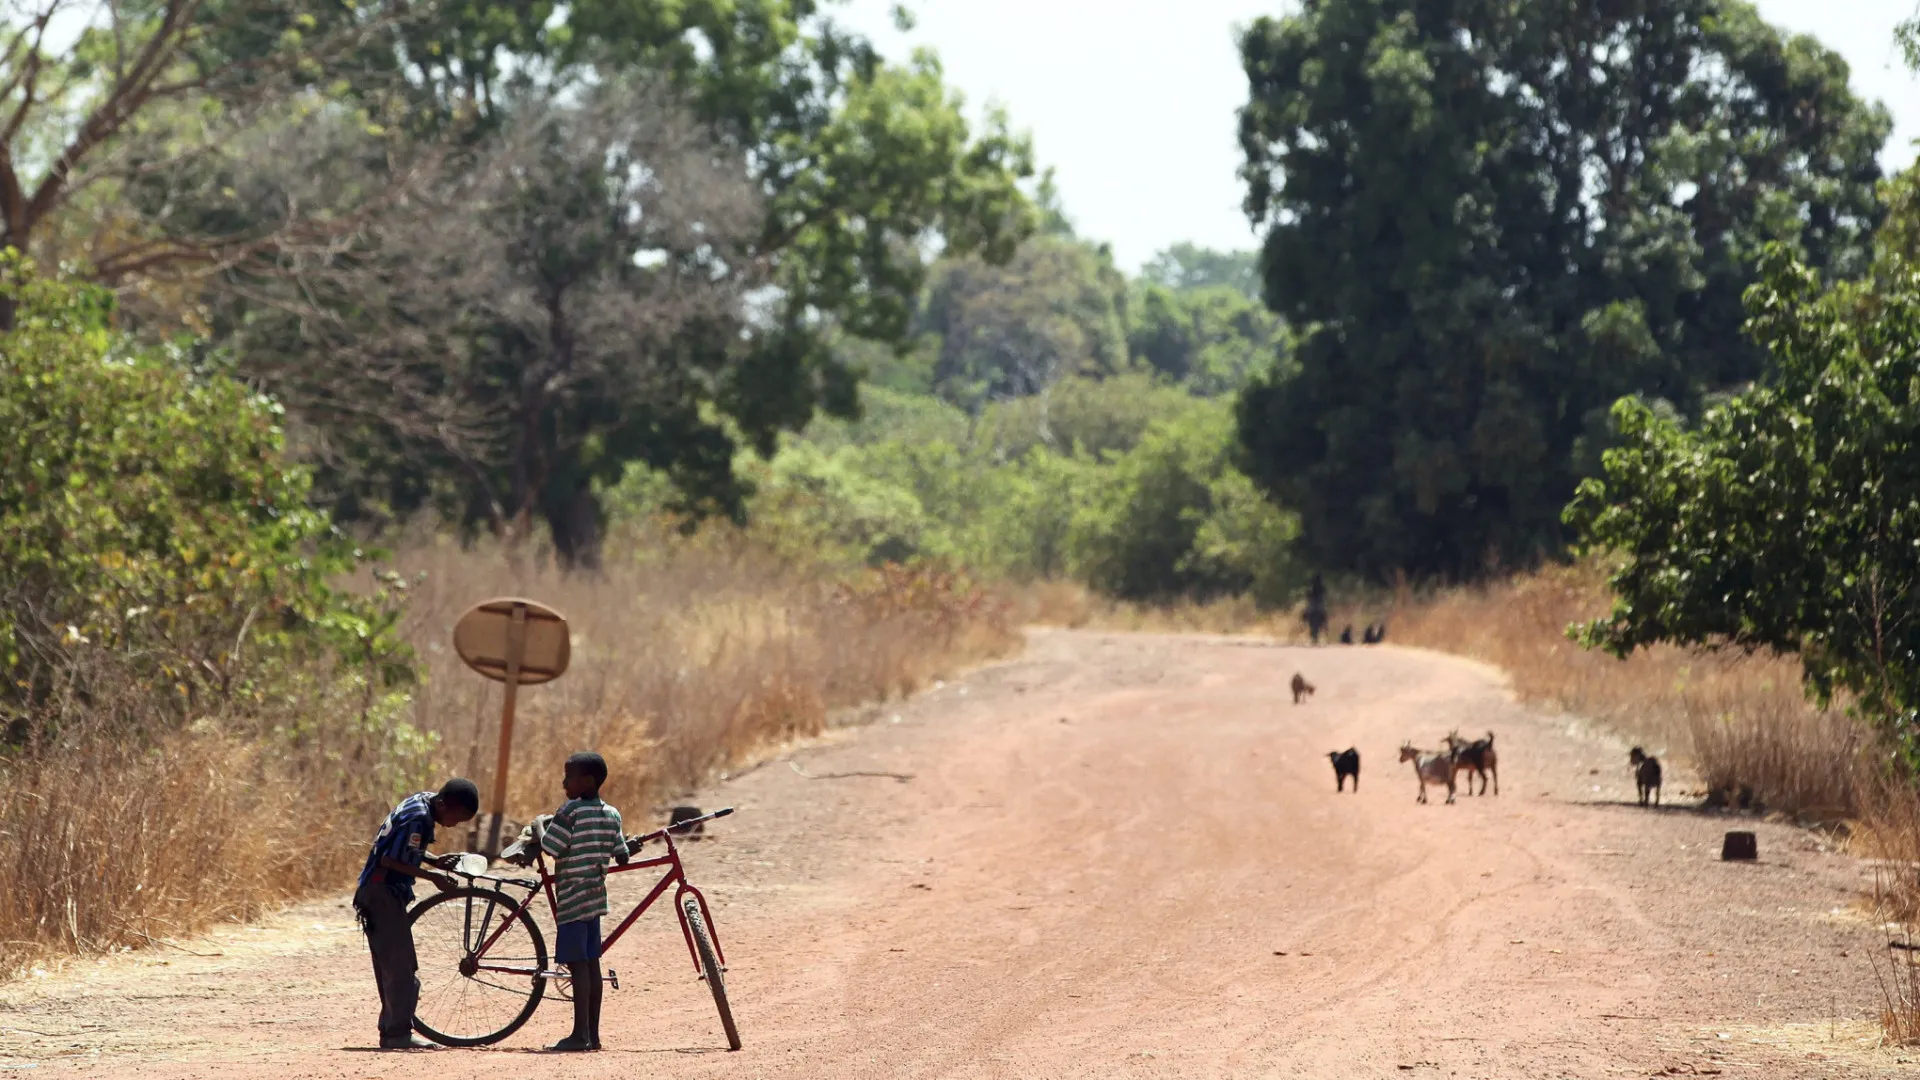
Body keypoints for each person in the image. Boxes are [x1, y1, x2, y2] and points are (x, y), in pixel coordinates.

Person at [354, 777, 480, 1050]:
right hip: (382, 893)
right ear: (446, 804)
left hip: (377, 892)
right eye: (455, 818)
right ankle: (396, 1035)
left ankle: (393, 1029)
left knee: (394, 965)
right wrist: (431, 876)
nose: (453, 825)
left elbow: (404, 849)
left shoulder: (421, 801)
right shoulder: (419, 818)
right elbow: (390, 860)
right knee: (399, 968)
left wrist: (434, 860)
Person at [540, 751, 629, 1052]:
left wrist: (539, 826)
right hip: (594, 898)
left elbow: (550, 846)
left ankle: (579, 1035)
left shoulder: (570, 812)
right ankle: (593, 1034)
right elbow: (623, 853)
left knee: (578, 966)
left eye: (569, 777)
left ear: (586, 781)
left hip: (572, 899)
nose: (564, 782)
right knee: (592, 964)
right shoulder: (612, 814)